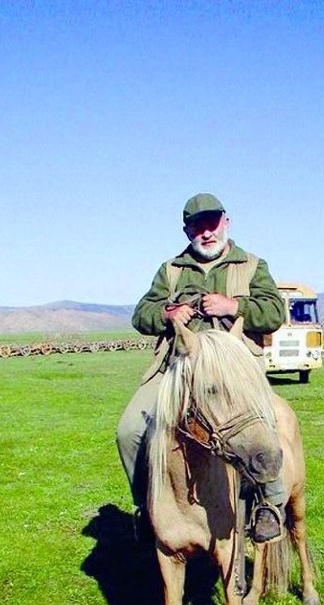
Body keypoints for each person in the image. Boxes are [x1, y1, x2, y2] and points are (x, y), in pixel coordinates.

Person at [117, 193, 287, 543]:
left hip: (234, 371)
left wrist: (233, 305)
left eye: (212, 223)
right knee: (130, 429)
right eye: (197, 226)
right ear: (187, 230)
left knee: (268, 423)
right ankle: (147, 507)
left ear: (226, 222)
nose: (206, 232)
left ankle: (268, 504)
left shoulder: (252, 265)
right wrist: (167, 314)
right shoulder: (171, 270)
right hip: (178, 369)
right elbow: (141, 314)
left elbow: (274, 313)